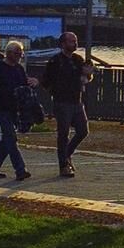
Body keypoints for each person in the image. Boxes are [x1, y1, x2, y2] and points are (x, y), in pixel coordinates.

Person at [41, 31, 94, 178]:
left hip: (77, 101)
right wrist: (55, 90)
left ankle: (67, 154)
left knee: (83, 130)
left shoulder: (78, 59)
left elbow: (85, 78)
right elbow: (46, 81)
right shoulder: (55, 61)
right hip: (62, 102)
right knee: (63, 134)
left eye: (75, 41)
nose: (75, 44)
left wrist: (88, 74)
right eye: (71, 41)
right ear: (63, 44)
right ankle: (63, 165)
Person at [0, 41, 33, 181]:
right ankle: (20, 169)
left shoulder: (19, 69)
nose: (19, 56)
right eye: (17, 53)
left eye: (21, 54)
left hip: (14, 107)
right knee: (11, 137)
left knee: (6, 139)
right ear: (9, 53)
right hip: (1, 107)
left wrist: (31, 84)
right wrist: (11, 91)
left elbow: (23, 84)